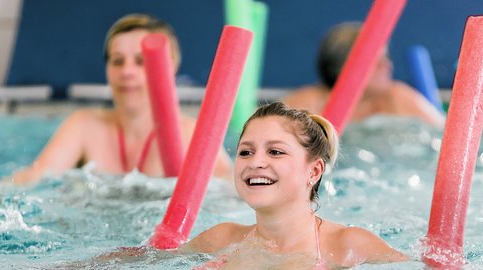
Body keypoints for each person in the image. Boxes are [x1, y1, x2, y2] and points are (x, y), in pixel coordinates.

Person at [182, 102, 408, 269]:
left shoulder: (348, 247)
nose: (255, 162)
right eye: (246, 152)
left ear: (314, 170)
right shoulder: (219, 241)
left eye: (275, 152)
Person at [12, 14, 232, 184]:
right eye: (117, 61)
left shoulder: (192, 134)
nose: (126, 72)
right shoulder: (83, 125)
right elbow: (35, 180)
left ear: (169, 66)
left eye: (140, 61)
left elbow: (232, 190)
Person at [283, 22, 444, 128]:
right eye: (376, 61)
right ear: (342, 66)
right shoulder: (308, 104)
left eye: (386, 57)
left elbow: (442, 135)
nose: (387, 65)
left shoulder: (398, 98)